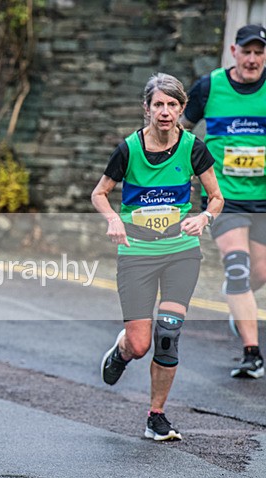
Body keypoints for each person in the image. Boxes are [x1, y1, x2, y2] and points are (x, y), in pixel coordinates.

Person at [91, 73, 223, 441]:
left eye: (172, 105)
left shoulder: (194, 148)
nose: (165, 112)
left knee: (169, 333)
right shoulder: (129, 150)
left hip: (180, 252)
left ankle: (156, 415)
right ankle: (121, 350)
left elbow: (216, 197)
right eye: (158, 105)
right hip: (137, 255)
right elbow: (99, 194)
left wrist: (204, 217)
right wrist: (114, 219)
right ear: (146, 109)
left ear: (182, 108)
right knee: (140, 344)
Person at [182, 24, 266, 379]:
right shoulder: (209, 86)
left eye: (259, 52)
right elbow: (181, 131)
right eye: (246, 51)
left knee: (256, 273)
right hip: (224, 198)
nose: (252, 59)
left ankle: (237, 299)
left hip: (263, 199)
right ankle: (252, 354)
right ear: (234, 51)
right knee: (237, 269)